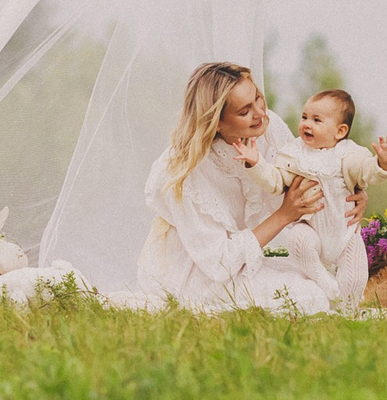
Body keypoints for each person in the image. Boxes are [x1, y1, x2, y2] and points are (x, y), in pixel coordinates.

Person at [138, 62, 332, 313]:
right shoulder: (184, 171)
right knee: (307, 296)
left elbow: (305, 179)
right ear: (216, 122)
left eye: (257, 99)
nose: (260, 113)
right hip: (200, 273)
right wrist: (284, 215)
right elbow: (220, 263)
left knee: (326, 281)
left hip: (243, 260)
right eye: (244, 111)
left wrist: (347, 195)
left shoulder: (268, 128)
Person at [260, 89, 387, 311]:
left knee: (356, 276)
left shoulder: (349, 154)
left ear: (340, 131)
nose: (306, 124)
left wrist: (383, 164)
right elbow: (275, 181)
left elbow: (366, 171)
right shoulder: (294, 153)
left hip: (344, 231)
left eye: (316, 120)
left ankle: (348, 312)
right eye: (304, 117)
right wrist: (256, 165)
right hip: (310, 227)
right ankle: (322, 279)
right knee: (297, 240)